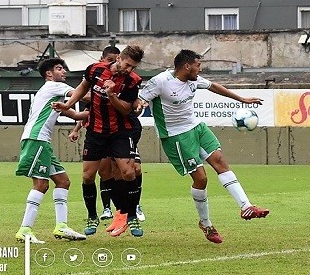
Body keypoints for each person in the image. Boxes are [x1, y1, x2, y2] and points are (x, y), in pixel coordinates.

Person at [137, 49, 269, 244]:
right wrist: (139, 104)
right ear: (187, 66)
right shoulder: (161, 81)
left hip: (196, 127)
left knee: (221, 162)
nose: (200, 69)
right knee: (201, 179)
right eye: (198, 65)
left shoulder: (193, 80)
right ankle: (206, 224)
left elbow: (213, 86)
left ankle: (246, 206)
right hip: (175, 136)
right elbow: (141, 99)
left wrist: (242, 99)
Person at [53, 45, 145, 237]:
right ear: (118, 58)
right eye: (128, 65)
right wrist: (68, 105)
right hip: (95, 131)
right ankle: (92, 216)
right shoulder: (95, 69)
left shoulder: (132, 81)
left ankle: (132, 215)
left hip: (119, 131)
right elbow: (83, 87)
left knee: (129, 172)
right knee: (88, 176)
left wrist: (111, 94)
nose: (129, 70)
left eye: (133, 67)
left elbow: (126, 110)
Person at [14, 58, 88, 243]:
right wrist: (105, 95)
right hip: (36, 139)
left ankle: (62, 226)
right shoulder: (52, 87)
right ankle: (24, 229)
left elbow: (77, 114)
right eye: (59, 68)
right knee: (41, 184)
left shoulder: (54, 95)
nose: (64, 72)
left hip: (41, 141)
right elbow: (83, 96)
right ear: (49, 73)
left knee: (63, 181)